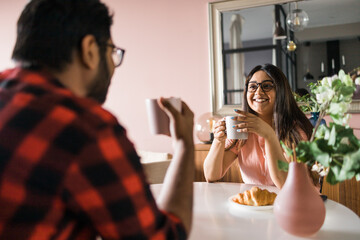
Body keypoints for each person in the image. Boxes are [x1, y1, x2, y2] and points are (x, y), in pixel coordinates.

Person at [0, 0, 194, 239]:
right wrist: (185, 144)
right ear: (90, 50)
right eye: (112, 52)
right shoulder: (88, 130)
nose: (114, 65)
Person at [203, 64, 313, 189]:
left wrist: (269, 135)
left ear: (281, 91)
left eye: (266, 86)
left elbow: (287, 185)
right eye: (253, 87)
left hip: (294, 204)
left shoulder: (295, 132)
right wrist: (218, 141)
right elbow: (211, 175)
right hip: (256, 204)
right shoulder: (242, 130)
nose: (258, 92)